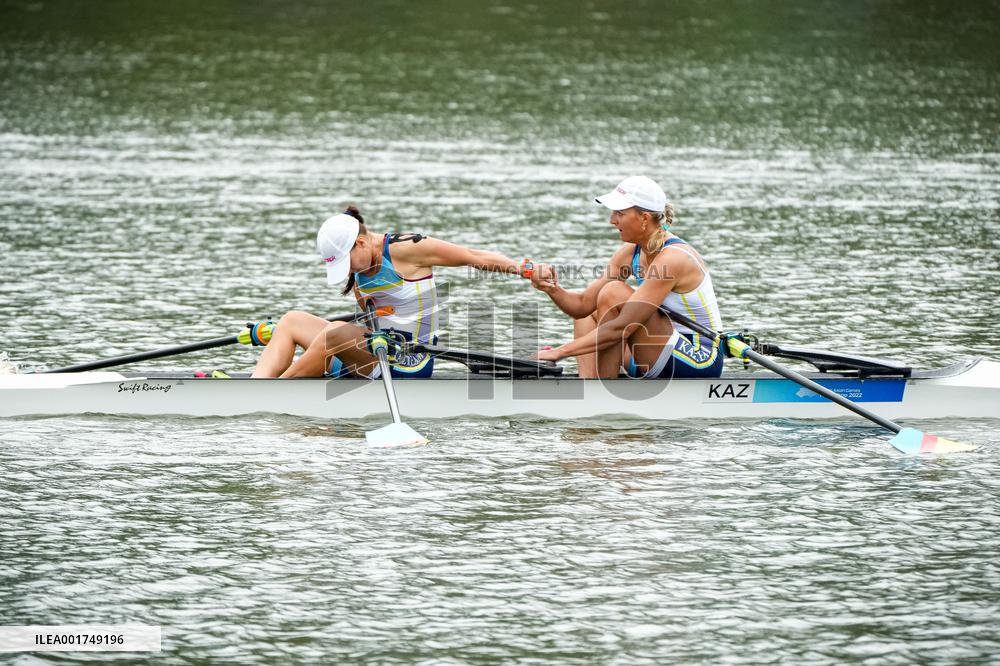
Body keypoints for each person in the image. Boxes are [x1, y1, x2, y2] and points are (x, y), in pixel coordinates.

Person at [252, 206, 522, 379]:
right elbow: (370, 323)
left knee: (334, 332)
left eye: (347, 263)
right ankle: (257, 387)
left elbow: (471, 256)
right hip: (372, 356)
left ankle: (277, 391)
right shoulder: (360, 265)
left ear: (361, 243)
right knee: (290, 321)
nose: (348, 272)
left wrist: (525, 269)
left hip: (408, 362)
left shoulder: (407, 249)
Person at [529, 176, 724, 379]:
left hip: (699, 359)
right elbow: (581, 305)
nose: (612, 220)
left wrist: (558, 352)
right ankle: (590, 383)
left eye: (620, 213)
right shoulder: (630, 253)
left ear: (645, 218)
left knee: (614, 293)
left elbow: (621, 327)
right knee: (589, 312)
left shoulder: (674, 258)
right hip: (657, 352)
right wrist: (552, 288)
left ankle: (603, 390)